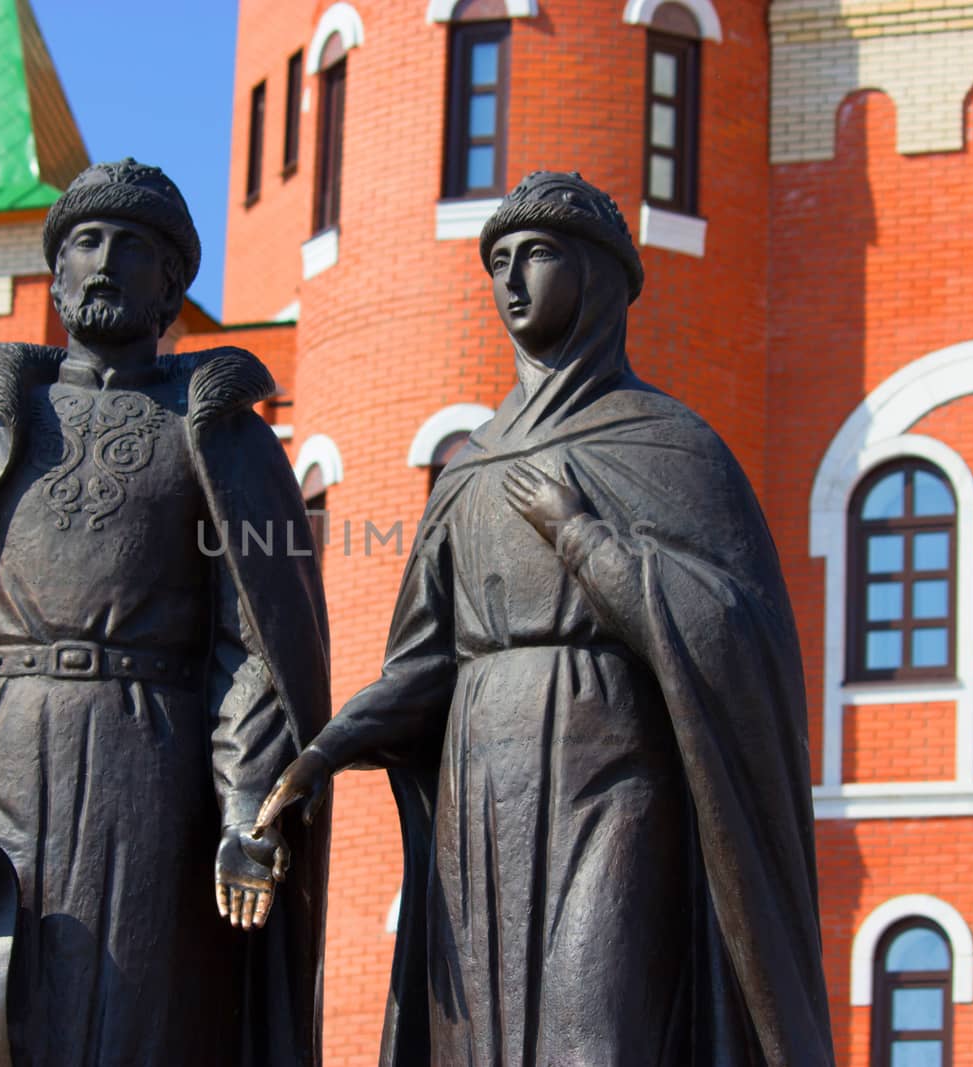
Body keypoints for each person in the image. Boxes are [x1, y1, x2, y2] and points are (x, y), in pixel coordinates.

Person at [256, 171, 833, 1065]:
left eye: (538, 255)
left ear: (598, 274)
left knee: (598, 1026)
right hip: (480, 797)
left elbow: (739, 633)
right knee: (476, 1043)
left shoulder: (669, 444)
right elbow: (423, 666)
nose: (512, 280)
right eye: (499, 261)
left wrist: (587, 544)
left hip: (612, 783)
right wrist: (325, 752)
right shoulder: (469, 469)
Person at [0, 159, 330, 1067]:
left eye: (132, 247)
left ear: (173, 283)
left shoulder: (220, 434)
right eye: (84, 243)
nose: (103, 263)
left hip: (152, 774)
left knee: (135, 1021)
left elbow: (251, 644)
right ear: (54, 276)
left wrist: (247, 806)